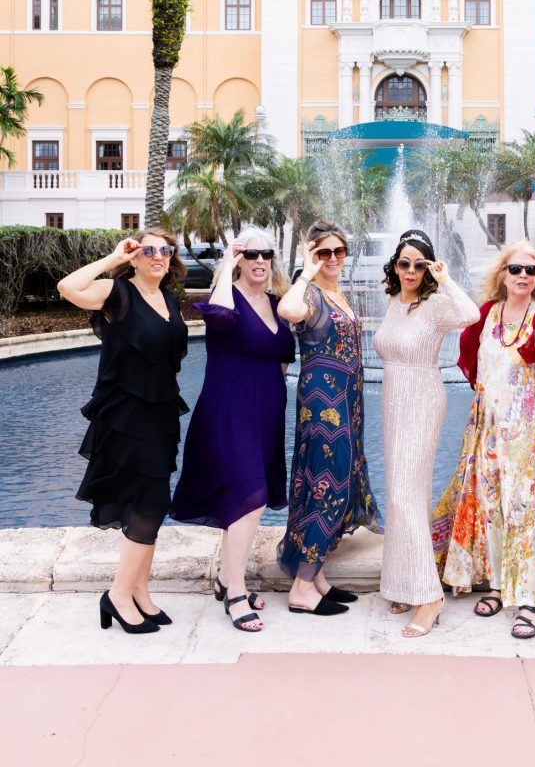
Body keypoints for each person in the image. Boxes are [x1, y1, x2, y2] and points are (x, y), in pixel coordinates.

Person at [432, 242, 535, 640]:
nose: (522, 276)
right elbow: (471, 363)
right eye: (515, 269)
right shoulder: (487, 314)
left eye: (531, 271)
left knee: (522, 505)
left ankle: (531, 600)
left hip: (528, 424)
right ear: (502, 273)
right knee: (490, 504)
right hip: (488, 422)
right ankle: (499, 585)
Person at [57, 228, 189, 634]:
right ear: (134, 256)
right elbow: (67, 287)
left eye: (165, 250)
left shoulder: (166, 298)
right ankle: (117, 595)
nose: (158, 256)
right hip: (127, 417)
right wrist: (114, 257)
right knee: (149, 504)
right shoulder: (118, 294)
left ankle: (140, 593)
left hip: (161, 413)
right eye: (148, 250)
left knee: (150, 504)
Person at [171, 227, 295, 633]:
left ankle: (226, 578)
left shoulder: (277, 304)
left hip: (266, 416)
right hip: (229, 411)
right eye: (250, 254)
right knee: (251, 496)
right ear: (239, 258)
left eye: (265, 255)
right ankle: (237, 593)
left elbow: (283, 360)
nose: (259, 261)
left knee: (248, 495)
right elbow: (221, 315)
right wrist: (226, 263)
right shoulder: (227, 298)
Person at [373, 229, 480, 639]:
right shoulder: (392, 301)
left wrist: (446, 278)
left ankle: (429, 597)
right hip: (393, 400)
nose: (411, 271)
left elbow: (470, 314)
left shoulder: (435, 304)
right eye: (404, 263)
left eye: (420, 264)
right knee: (399, 494)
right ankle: (402, 584)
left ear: (429, 267)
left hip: (421, 398)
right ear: (395, 266)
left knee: (406, 496)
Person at [277, 219, 383, 614]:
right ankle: (302, 588)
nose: (334, 258)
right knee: (328, 482)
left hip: (346, 401)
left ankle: (315, 576)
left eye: (340, 251)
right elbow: (288, 310)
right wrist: (306, 271)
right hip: (323, 403)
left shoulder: (336, 292)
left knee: (332, 478)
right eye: (325, 252)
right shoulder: (311, 293)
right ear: (311, 254)